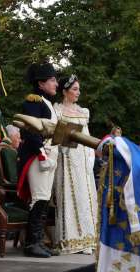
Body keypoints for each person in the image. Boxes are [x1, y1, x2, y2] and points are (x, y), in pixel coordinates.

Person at [16, 62, 59, 258]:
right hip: (37, 156)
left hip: (48, 155)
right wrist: (42, 155)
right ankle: (31, 243)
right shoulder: (33, 101)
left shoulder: (47, 102)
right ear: (40, 84)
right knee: (39, 197)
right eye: (52, 80)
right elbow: (32, 132)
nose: (56, 84)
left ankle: (38, 240)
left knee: (44, 199)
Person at [53, 74, 97, 254]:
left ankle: (88, 239)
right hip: (67, 157)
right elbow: (56, 136)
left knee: (86, 197)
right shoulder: (57, 110)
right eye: (75, 89)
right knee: (70, 196)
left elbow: (87, 137)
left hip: (84, 158)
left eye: (79, 89)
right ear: (65, 92)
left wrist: (91, 156)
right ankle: (71, 240)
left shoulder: (83, 112)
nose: (78, 93)